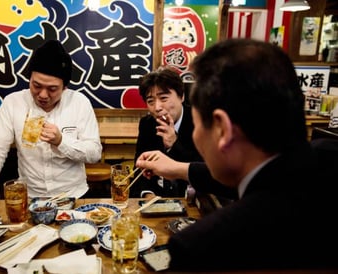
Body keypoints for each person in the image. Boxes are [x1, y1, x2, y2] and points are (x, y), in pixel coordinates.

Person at [136, 39, 338, 271]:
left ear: (222, 129)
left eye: (200, 124)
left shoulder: (200, 247)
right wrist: (180, 168)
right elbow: (266, 181)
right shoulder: (328, 155)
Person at [0, 40, 102, 204]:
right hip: (30, 199)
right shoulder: (13, 103)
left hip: (73, 196)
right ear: (29, 79)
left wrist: (61, 141)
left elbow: (94, 153)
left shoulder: (79, 103)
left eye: (52, 89)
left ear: (65, 87)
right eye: (36, 85)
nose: (43, 95)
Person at [131, 66, 202, 198]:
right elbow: (140, 170)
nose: (157, 108)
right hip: (158, 202)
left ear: (181, 96)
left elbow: (205, 172)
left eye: (163, 98)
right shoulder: (147, 124)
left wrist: (174, 144)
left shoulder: (200, 121)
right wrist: (148, 195)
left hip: (193, 200)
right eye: (150, 101)